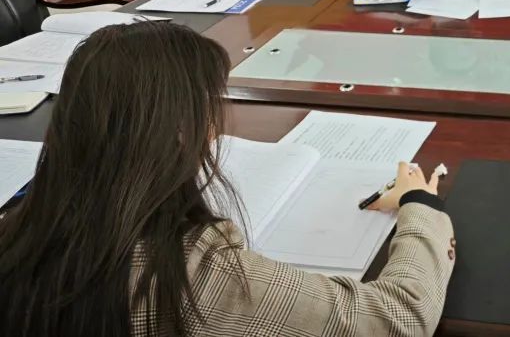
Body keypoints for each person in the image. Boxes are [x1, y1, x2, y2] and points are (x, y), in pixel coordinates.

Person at [0, 21, 454, 337]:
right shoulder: (193, 274)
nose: (213, 132)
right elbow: (398, 317)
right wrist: (422, 207)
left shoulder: (16, 231)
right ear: (178, 132)